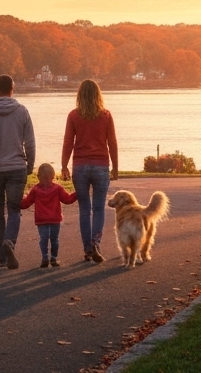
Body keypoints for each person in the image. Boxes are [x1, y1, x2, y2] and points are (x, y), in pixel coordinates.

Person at [60, 78, 119, 263]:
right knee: (99, 208)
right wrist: (115, 167)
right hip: (101, 165)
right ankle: (96, 243)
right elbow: (112, 143)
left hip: (80, 167)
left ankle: (87, 249)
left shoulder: (74, 115)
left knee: (84, 209)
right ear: (98, 95)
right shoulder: (106, 115)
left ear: (79, 95)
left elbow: (68, 142)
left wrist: (63, 166)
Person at [0, 74, 36, 269]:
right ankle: (10, 241)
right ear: (12, 88)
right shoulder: (22, 111)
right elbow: (29, 142)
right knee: (14, 210)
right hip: (16, 167)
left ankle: (2, 257)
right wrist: (30, 164)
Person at [19, 163, 77, 268]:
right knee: (52, 239)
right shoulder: (55, 189)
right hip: (52, 219)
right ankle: (51, 258)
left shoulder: (37, 190)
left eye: (47, 178)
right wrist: (77, 194)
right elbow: (67, 199)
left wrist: (16, 200)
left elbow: (25, 203)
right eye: (44, 178)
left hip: (44, 219)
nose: (46, 181)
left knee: (45, 238)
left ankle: (48, 257)